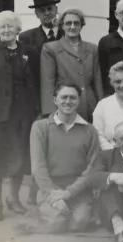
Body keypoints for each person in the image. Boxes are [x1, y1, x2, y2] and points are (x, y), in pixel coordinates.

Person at [0, 11, 40, 220]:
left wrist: (34, 109)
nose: (6, 30)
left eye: (10, 26)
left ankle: (13, 199)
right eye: (2, 27)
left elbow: (35, 81)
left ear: (18, 29)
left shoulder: (30, 52)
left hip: (22, 111)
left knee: (19, 156)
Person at [28, 83, 100, 233]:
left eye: (73, 98)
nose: (68, 101)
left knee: (79, 223)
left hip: (78, 190)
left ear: (78, 101)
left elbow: (92, 167)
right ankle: (38, 211)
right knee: (56, 224)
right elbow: (38, 167)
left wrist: (69, 192)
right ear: (55, 100)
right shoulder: (40, 127)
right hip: (51, 187)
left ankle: (79, 213)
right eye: (64, 97)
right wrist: (52, 194)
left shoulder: (90, 130)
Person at [41, 8, 104, 121]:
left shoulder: (92, 48)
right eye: (68, 23)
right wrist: (50, 112)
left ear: (81, 26)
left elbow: (97, 80)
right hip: (65, 104)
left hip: (90, 105)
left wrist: (102, 105)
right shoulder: (51, 48)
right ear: (62, 26)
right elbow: (48, 82)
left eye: (76, 23)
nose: (73, 26)